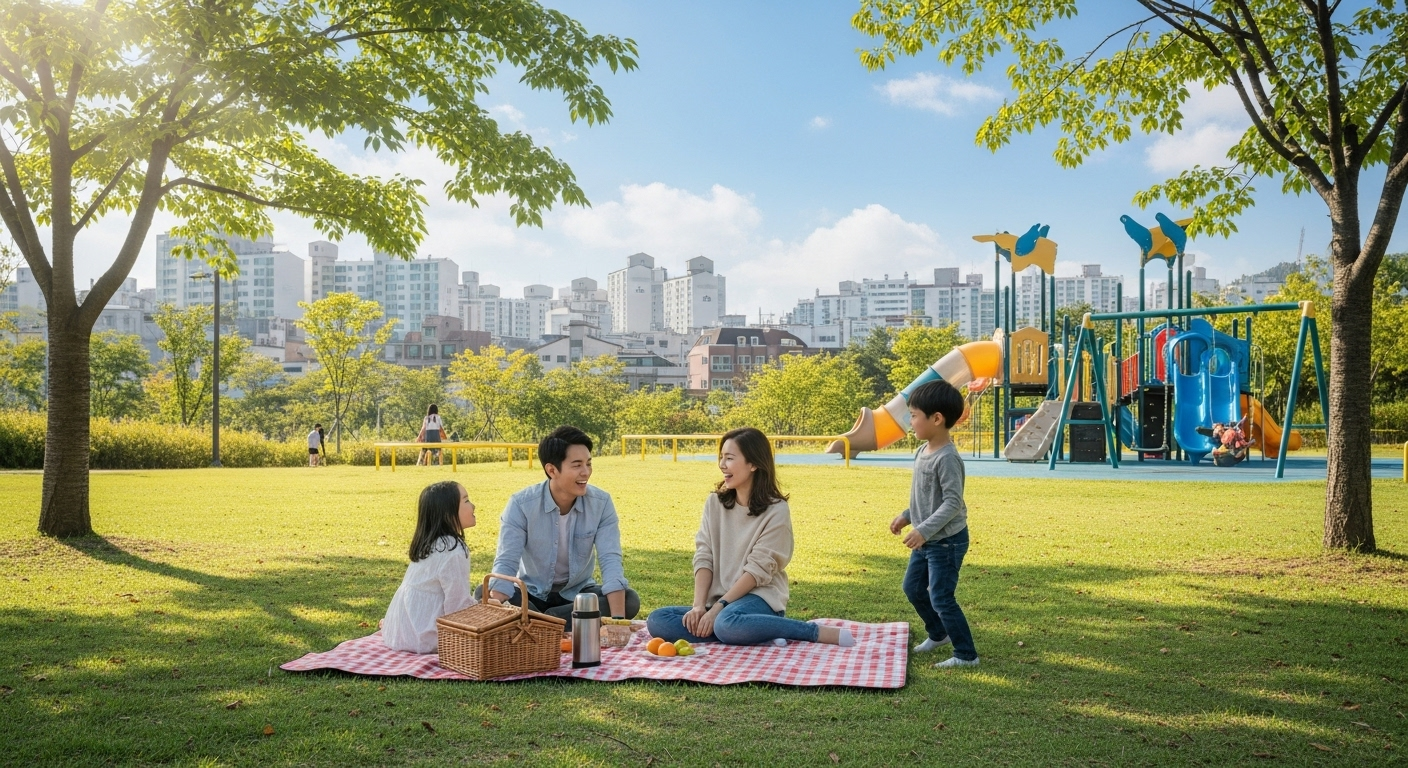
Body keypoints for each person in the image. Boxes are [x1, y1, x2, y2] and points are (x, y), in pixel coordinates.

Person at [646, 427, 855, 647]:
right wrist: (699, 606)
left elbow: (758, 570)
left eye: (729, 458)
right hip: (722, 604)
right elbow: (704, 555)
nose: (722, 465)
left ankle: (811, 631)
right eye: (721, 458)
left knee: (726, 623)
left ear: (753, 464)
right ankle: (757, 631)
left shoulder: (776, 510)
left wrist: (719, 608)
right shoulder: (714, 504)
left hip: (759, 597)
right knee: (659, 621)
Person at [483, 425, 640, 621]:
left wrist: (618, 621)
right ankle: (556, 621)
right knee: (485, 592)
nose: (586, 472)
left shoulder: (601, 503)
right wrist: (494, 608)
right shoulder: (521, 504)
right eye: (577, 465)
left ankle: (541, 621)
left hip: (578, 596)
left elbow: (611, 560)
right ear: (552, 470)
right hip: (530, 593)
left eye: (588, 463)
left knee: (628, 600)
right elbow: (506, 561)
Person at [891, 379, 979, 668]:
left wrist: (923, 529)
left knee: (941, 596)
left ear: (937, 419)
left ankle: (966, 655)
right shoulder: (923, 451)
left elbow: (952, 503)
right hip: (926, 538)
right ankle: (939, 634)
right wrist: (907, 515)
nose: (910, 421)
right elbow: (926, 497)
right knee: (913, 589)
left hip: (947, 541)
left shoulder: (948, 458)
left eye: (914, 415)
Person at [382, 481, 479, 653]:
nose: (473, 506)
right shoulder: (453, 549)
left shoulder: (432, 544)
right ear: (448, 513)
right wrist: (483, 611)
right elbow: (457, 608)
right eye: (466, 500)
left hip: (397, 634)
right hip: (424, 639)